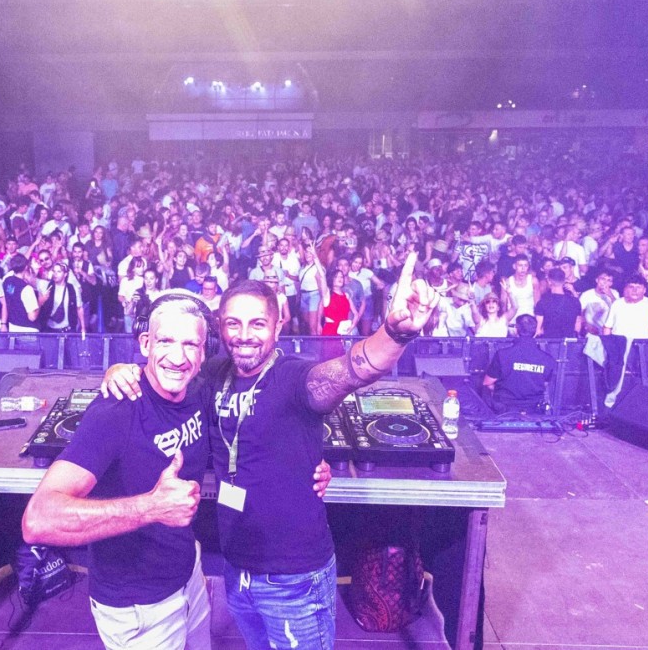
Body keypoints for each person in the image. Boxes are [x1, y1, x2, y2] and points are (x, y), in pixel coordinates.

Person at [102, 252, 438, 649]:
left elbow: (353, 369)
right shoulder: (212, 374)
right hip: (237, 568)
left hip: (293, 578)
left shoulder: (295, 378)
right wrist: (120, 371)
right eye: (234, 323)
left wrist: (394, 335)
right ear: (220, 327)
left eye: (257, 323)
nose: (244, 335)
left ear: (278, 326)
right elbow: (165, 371)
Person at [23, 292, 331, 650]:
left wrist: (306, 462)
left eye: (190, 344)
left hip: (188, 577)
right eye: (165, 341)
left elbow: (253, 427)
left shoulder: (197, 393)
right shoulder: (116, 411)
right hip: (138, 608)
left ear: (204, 353)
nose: (178, 356)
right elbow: (38, 520)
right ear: (145, 344)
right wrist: (151, 507)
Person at [482, 314, 556, 413]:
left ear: (516, 330)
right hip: (534, 412)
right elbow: (546, 384)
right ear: (535, 331)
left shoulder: (502, 354)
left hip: (504, 411)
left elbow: (487, 382)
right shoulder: (547, 359)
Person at [603, 269, 648, 339]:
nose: (635, 290)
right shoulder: (617, 303)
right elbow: (607, 327)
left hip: (640, 344)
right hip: (618, 344)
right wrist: (608, 343)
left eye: (638, 287)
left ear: (644, 290)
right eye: (631, 287)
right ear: (626, 289)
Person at [535, 268, 582, 338]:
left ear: (549, 281)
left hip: (549, 342)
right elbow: (577, 325)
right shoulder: (575, 302)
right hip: (569, 342)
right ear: (564, 281)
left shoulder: (542, 303)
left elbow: (539, 330)